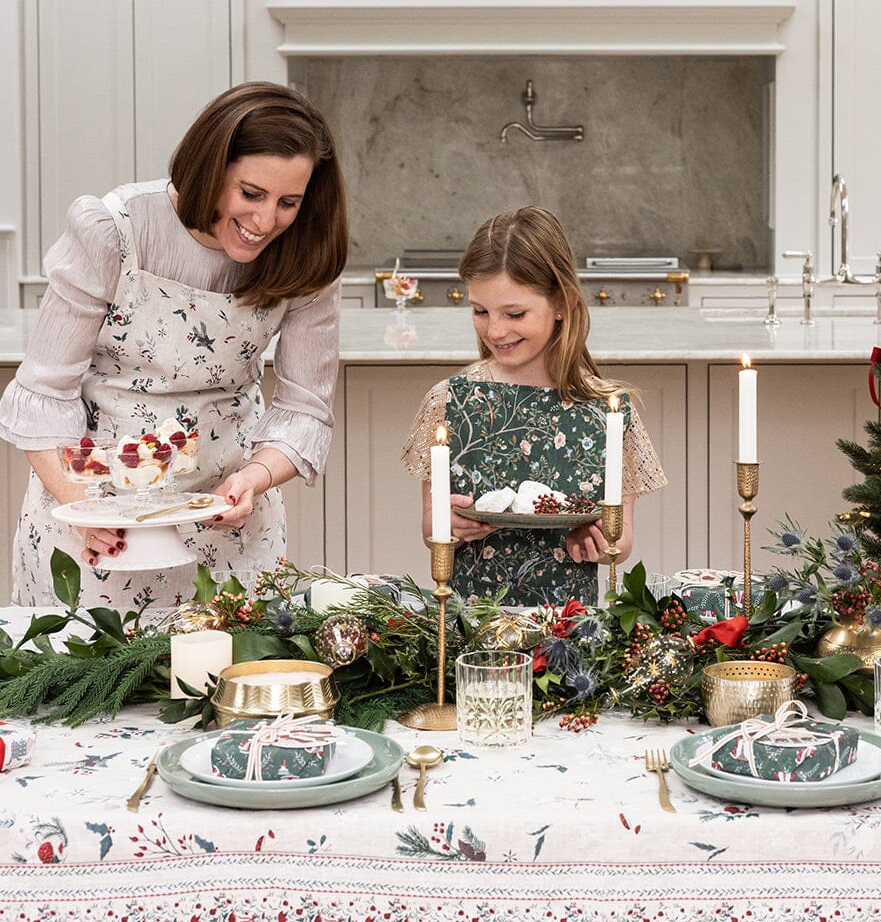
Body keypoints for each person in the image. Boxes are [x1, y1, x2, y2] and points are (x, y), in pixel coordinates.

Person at [0, 81, 348, 610]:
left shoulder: (306, 255)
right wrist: (87, 513)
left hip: (228, 524)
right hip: (96, 518)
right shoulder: (114, 231)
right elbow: (44, 396)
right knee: (84, 682)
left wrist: (254, 479)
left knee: (225, 683)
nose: (265, 221)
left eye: (288, 202)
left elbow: (304, 407)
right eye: (250, 193)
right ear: (210, 168)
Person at [402, 207, 666, 605]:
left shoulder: (608, 411)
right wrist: (447, 524)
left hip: (569, 629)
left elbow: (621, 538)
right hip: (473, 628)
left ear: (563, 303)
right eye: (480, 311)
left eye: (515, 313)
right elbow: (429, 525)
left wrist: (601, 543)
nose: (495, 330)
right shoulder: (450, 401)